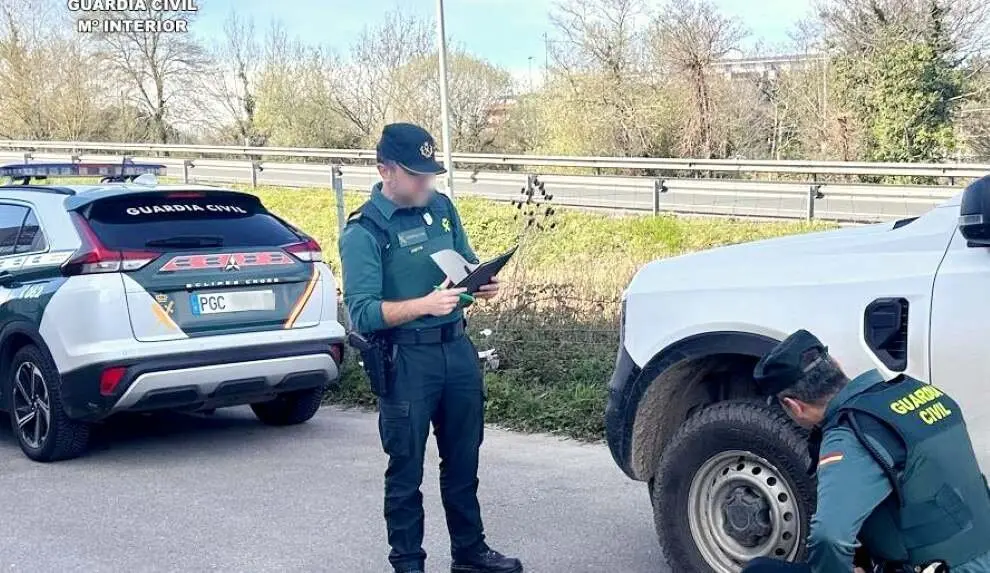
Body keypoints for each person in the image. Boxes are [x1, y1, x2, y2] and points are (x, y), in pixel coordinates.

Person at [338, 122, 523, 573]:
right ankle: (408, 564)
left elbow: (463, 261)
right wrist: (423, 304)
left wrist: (479, 282)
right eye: (416, 174)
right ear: (385, 170)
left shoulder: (441, 207)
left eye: (430, 172)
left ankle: (470, 553)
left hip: (456, 349)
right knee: (406, 470)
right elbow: (361, 312)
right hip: (407, 360)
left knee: (463, 460)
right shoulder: (364, 231)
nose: (427, 182)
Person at [742, 329, 990, 573]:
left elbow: (829, 536)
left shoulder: (850, 434)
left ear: (793, 406)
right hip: (978, 556)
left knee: (758, 570)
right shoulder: (923, 392)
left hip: (934, 567)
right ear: (836, 364)